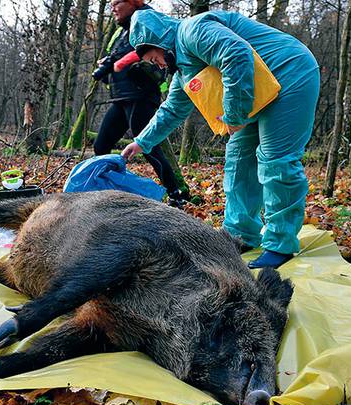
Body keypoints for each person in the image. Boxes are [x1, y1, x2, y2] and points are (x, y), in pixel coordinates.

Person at [120, 9, 320, 269]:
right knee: (238, 160)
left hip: (290, 73)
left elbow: (236, 54)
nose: (156, 64)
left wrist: (235, 113)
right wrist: (141, 142)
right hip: (257, 91)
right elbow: (171, 110)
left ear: (159, 41)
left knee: (275, 160)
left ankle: (280, 244)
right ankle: (240, 234)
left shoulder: (193, 31)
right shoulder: (183, 72)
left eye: (153, 57)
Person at [91, 0, 189, 204]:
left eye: (117, 2)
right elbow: (116, 56)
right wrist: (107, 65)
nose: (113, 7)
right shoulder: (122, 32)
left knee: (147, 144)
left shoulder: (146, 21)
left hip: (141, 95)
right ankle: (107, 192)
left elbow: (148, 50)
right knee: (101, 145)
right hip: (121, 97)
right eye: (110, 3)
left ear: (132, 2)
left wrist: (120, 62)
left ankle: (176, 194)